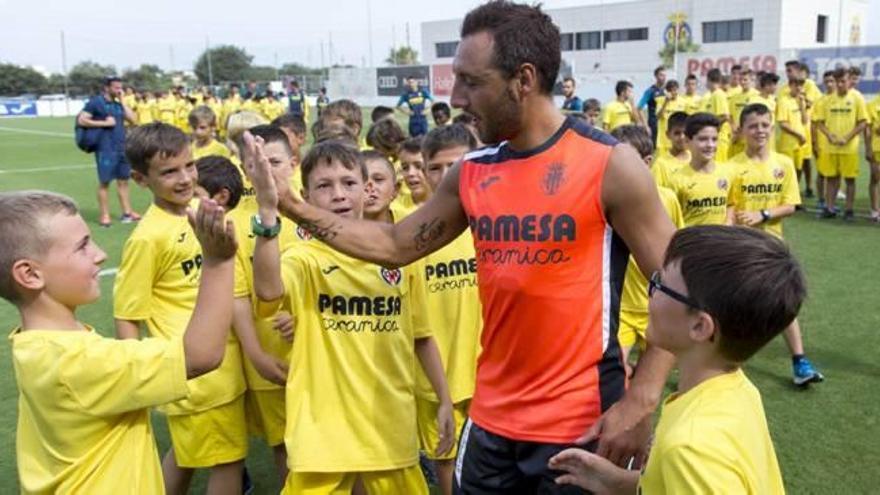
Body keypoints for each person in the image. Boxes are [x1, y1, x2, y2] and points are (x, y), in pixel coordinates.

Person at [242, 1, 677, 491]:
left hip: (579, 422)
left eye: (472, 81)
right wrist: (291, 205)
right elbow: (395, 244)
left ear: (524, 79)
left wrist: (642, 397)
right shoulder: (473, 172)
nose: (457, 96)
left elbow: (682, 281)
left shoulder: (609, 164)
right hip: (491, 422)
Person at [248, 139, 454, 494]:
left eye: (349, 183)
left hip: (389, 428)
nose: (339, 195)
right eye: (324, 186)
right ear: (305, 196)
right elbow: (268, 291)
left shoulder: (400, 260)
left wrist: (445, 399)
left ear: (366, 189)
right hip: (322, 436)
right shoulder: (304, 258)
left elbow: (420, 336)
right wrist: (269, 214)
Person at [3, 191, 238, 494]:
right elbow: (199, 356)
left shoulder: (34, 344)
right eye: (83, 246)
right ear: (30, 274)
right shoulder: (79, 361)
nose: (99, 254)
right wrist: (218, 261)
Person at [549, 225, 801, 495]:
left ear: (700, 327)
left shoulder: (690, 449)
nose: (652, 292)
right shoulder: (737, 390)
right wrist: (619, 483)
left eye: (660, 285)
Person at [114, 124, 249, 495]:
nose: (185, 177)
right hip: (198, 375)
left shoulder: (199, 211)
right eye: (169, 171)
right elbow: (128, 313)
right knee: (227, 464)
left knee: (187, 456)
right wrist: (136, 383)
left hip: (221, 364)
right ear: (141, 179)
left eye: (189, 166)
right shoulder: (148, 237)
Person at [728, 103, 825, 386]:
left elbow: (791, 204)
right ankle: (724, 363)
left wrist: (763, 214)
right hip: (742, 248)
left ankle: (800, 363)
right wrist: (733, 221)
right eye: (753, 126)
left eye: (764, 125)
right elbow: (730, 206)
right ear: (742, 130)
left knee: (784, 302)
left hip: (773, 247)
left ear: (772, 127)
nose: (760, 130)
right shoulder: (732, 166)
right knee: (736, 305)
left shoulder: (783, 163)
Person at [409, 123, 482, 495]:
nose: (444, 176)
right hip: (436, 382)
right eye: (434, 167)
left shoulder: (493, 225)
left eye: (454, 165)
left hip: (490, 377)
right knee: (447, 466)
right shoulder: (411, 235)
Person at [610, 125, 684, 378]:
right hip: (621, 309)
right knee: (613, 376)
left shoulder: (668, 199)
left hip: (657, 309)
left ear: (647, 162)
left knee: (647, 391)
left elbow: (675, 249)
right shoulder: (606, 199)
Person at [76, 76, 140, 228]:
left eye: (120, 87)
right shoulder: (96, 103)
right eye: (116, 87)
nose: (119, 90)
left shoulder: (118, 104)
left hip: (122, 146)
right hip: (105, 149)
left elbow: (134, 120)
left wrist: (123, 101)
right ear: (107, 88)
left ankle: (127, 212)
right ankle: (104, 215)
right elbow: (82, 120)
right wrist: (104, 123)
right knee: (105, 182)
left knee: (124, 181)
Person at [814, 68, 868, 221]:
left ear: (849, 80)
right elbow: (819, 122)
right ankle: (830, 208)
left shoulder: (857, 98)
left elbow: (863, 122)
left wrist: (848, 137)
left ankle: (849, 210)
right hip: (831, 147)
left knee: (850, 179)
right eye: (837, 81)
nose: (840, 84)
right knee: (831, 178)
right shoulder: (827, 100)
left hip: (849, 148)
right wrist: (829, 135)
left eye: (843, 81)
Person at [667, 113, 736, 226]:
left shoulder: (727, 173)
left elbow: (730, 204)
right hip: (692, 243)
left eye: (714, 139)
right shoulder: (676, 180)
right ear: (688, 141)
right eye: (703, 139)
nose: (710, 145)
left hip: (722, 242)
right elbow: (670, 221)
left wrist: (728, 222)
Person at [776, 78, 809, 192]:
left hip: (799, 144)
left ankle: (794, 196)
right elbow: (783, 124)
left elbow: (805, 121)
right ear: (790, 86)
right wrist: (799, 135)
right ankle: (784, 197)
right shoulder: (783, 101)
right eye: (796, 85)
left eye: (801, 85)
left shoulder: (800, 100)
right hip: (787, 144)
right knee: (786, 172)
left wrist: (802, 106)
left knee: (798, 170)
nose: (799, 88)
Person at [651, 111, 691, 188]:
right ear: (668, 135)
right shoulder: (660, 165)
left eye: (685, 133)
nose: (682, 137)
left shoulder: (697, 159)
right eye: (677, 133)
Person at [362, 150, 402, 223]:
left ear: (395, 190)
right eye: (362, 180)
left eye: (378, 179)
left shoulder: (413, 223)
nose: (369, 187)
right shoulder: (339, 230)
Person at [728, 69, 760, 158]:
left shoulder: (756, 96)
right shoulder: (735, 97)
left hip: (749, 136)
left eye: (745, 80)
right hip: (736, 137)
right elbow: (730, 116)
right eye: (741, 80)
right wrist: (734, 129)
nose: (742, 82)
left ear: (751, 80)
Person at [702, 68, 731, 160]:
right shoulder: (713, 95)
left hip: (720, 139)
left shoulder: (718, 94)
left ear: (708, 80)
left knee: (720, 168)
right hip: (714, 139)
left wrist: (713, 129)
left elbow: (725, 116)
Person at [398, 137, 430, 212]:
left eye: (418, 166)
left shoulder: (449, 205)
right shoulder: (395, 208)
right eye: (405, 168)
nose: (410, 173)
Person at [655, 79, 687, 154]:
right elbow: (658, 116)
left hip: (677, 139)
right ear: (667, 92)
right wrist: (666, 102)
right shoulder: (660, 101)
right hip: (663, 140)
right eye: (671, 91)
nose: (674, 93)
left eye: (675, 90)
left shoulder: (683, 102)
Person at [638, 66, 667, 145]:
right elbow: (639, 108)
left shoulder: (667, 91)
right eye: (661, 75)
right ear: (656, 76)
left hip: (665, 124)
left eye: (665, 75)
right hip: (654, 124)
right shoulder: (650, 91)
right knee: (654, 148)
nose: (664, 78)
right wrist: (645, 125)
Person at [867, 92, 880, 222]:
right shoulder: (873, 104)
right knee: (875, 178)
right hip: (877, 148)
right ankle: (875, 211)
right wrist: (868, 148)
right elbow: (869, 129)